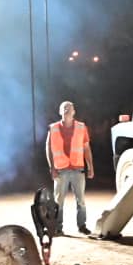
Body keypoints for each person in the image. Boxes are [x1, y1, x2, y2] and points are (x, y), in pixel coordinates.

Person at [45, 100, 95, 235]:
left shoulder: (81, 127)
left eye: (69, 108)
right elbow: (48, 148)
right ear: (60, 112)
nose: (67, 110)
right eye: (64, 108)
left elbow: (86, 148)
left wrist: (90, 166)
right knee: (58, 201)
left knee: (81, 200)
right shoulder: (53, 128)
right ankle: (58, 227)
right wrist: (52, 168)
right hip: (60, 170)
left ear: (74, 112)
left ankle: (82, 226)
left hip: (78, 169)